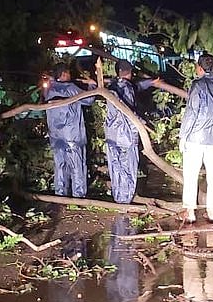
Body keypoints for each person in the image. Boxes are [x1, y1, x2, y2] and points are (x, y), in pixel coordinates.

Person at [179, 53, 213, 224]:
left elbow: (192, 112)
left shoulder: (198, 85)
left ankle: (190, 211)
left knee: (191, 173)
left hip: (196, 136)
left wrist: (183, 136)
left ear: (200, 68)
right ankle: (212, 211)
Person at [103, 59, 160, 204]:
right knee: (128, 166)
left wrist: (150, 82)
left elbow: (137, 86)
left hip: (112, 134)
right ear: (130, 72)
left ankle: (118, 197)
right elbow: (129, 111)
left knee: (115, 166)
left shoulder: (112, 86)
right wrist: (141, 121)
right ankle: (126, 199)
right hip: (126, 134)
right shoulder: (127, 88)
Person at [44, 63, 97, 198]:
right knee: (77, 167)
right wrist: (92, 85)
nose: (70, 75)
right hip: (73, 137)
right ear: (63, 74)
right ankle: (78, 196)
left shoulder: (49, 90)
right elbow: (89, 99)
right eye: (68, 73)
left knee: (60, 167)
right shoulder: (70, 88)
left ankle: (60, 195)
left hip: (56, 137)